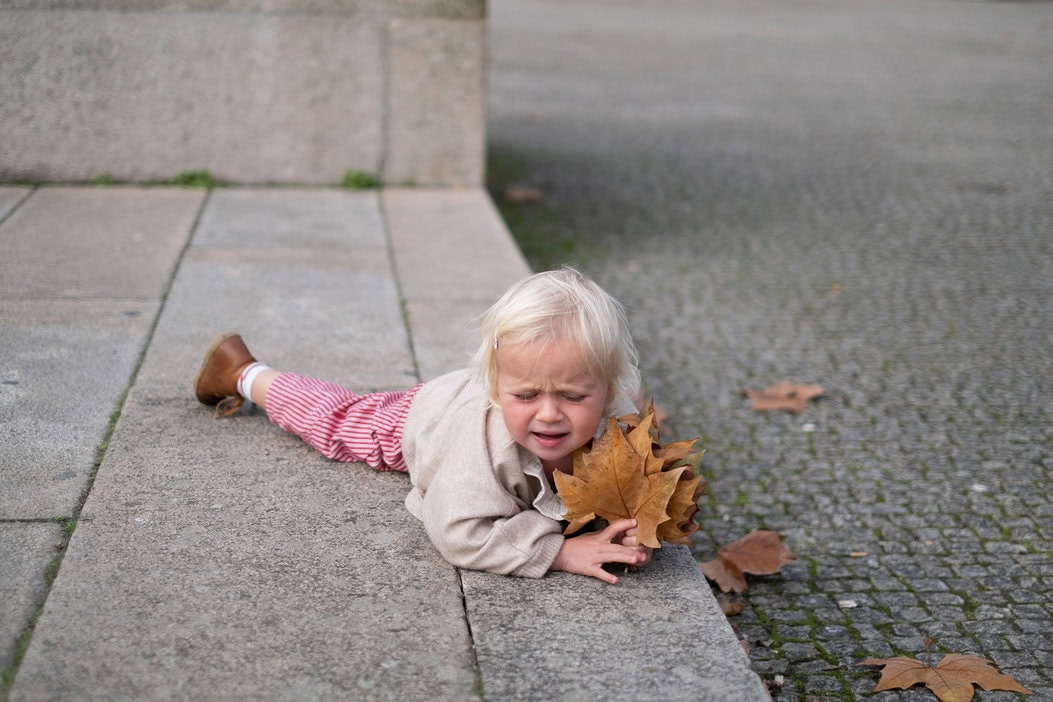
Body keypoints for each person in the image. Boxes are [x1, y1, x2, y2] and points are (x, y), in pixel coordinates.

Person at [193, 268, 652, 584]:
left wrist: (637, 525)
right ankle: (242, 371)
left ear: (608, 390)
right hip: (422, 417)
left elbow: (641, 485)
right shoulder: (483, 441)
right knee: (339, 420)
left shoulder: (617, 428)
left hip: (466, 394)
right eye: (526, 395)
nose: (549, 414)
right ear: (496, 387)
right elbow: (458, 532)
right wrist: (562, 552)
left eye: (573, 396)